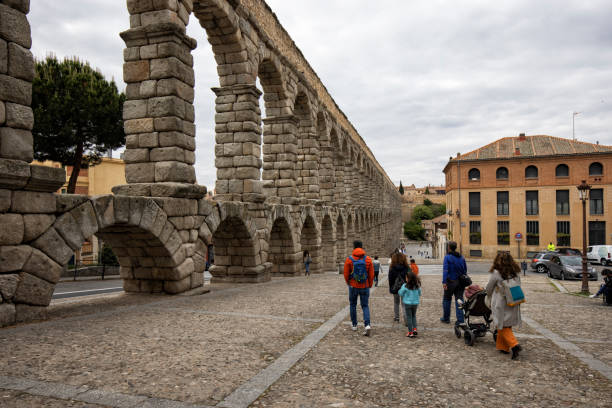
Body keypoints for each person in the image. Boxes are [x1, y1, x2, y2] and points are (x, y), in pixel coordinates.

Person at [486, 252, 523, 359]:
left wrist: (488, 295)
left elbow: (489, 288)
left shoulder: (496, 273)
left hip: (500, 303)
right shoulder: (515, 272)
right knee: (507, 324)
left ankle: (514, 345)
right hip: (513, 300)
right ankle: (503, 347)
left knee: (500, 324)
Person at [344, 240, 375, 336]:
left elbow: (346, 274)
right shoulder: (368, 259)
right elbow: (371, 275)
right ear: (362, 247)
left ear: (354, 247)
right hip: (364, 286)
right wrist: (369, 285)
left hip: (353, 286)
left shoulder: (349, 259)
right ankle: (367, 325)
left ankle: (354, 325)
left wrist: (349, 283)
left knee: (353, 304)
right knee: (365, 305)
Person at [441, 241, 467, 325]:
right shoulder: (462, 257)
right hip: (460, 282)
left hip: (450, 282)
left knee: (447, 299)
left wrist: (444, 282)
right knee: (459, 300)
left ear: (449, 248)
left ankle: (446, 318)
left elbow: (445, 270)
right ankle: (460, 320)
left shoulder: (447, 257)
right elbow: (465, 270)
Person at [398, 270, 422, 338]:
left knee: (409, 317)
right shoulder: (417, 286)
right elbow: (420, 293)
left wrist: (400, 290)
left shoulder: (405, 286)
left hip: (407, 304)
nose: (405, 279)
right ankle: (415, 329)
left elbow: (400, 293)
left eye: (406, 278)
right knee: (413, 316)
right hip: (415, 303)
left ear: (408, 279)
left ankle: (410, 332)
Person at [389, 252, 410, 325]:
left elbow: (390, 279)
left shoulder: (392, 268)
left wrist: (391, 288)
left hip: (395, 287)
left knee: (396, 302)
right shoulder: (406, 267)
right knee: (404, 304)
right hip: (404, 287)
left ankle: (396, 317)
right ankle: (406, 319)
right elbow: (410, 277)